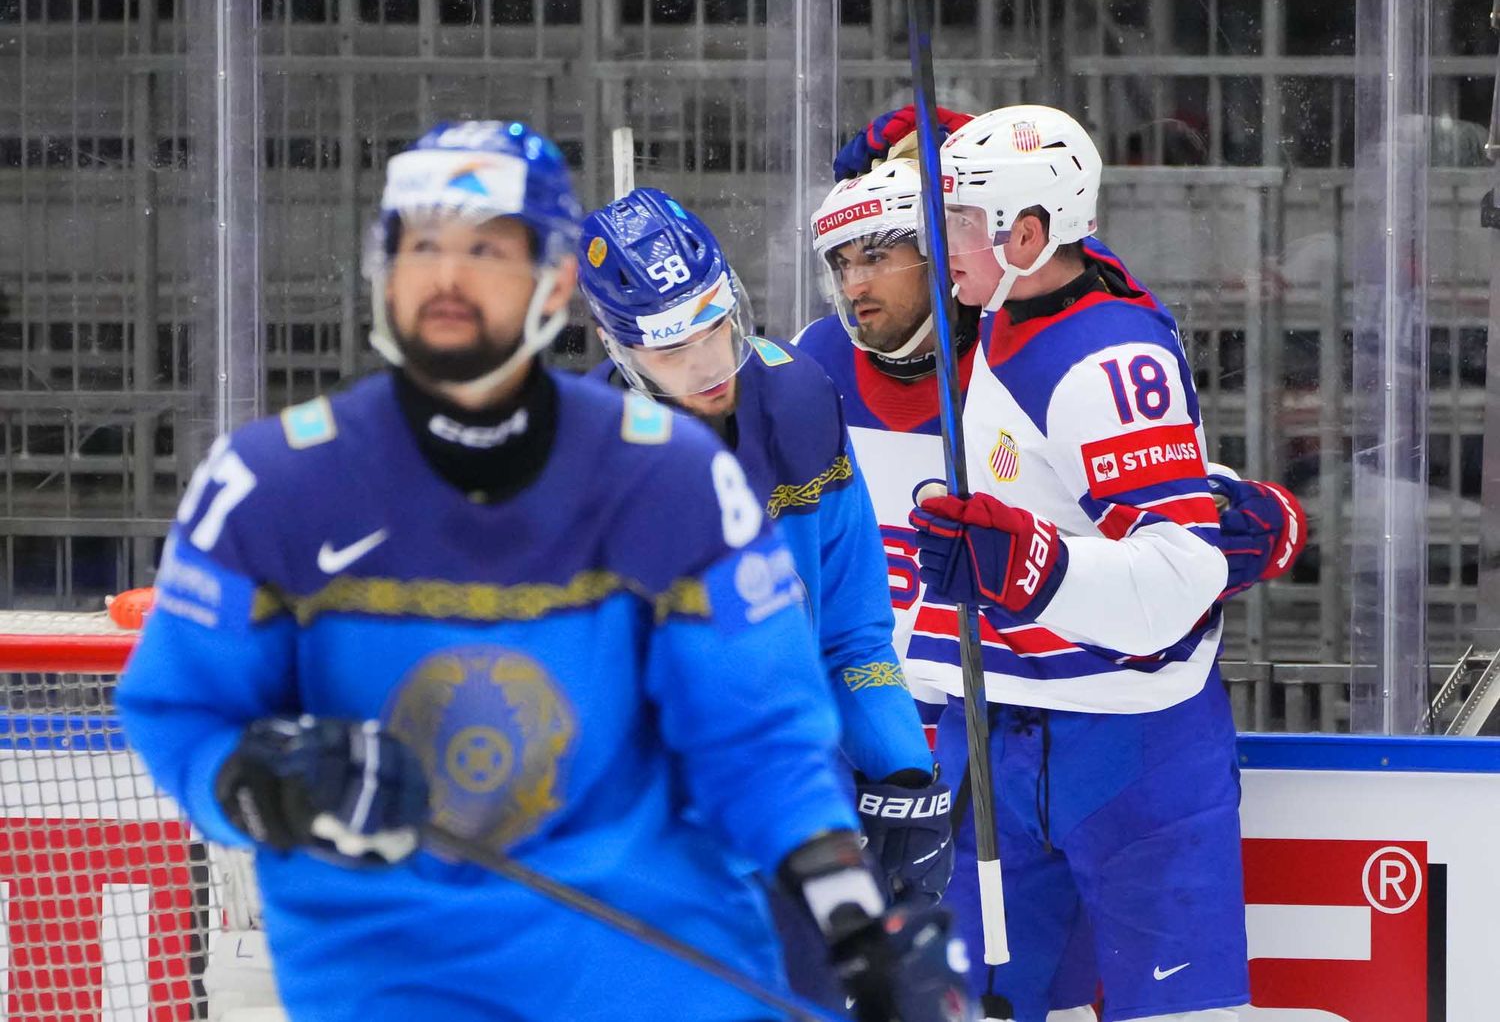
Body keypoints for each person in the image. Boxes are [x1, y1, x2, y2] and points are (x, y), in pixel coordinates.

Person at [117, 121, 969, 1022]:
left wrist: (850, 909)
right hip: (395, 977)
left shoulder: (676, 480)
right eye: (420, 248)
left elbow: (760, 728)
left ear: (553, 285)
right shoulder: (266, 485)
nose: (450, 280)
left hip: (638, 966)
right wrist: (257, 781)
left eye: (489, 252)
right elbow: (179, 712)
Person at [798, 107, 1307, 1022]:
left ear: (1022, 234)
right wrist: (972, 161)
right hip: (980, 733)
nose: (926, 249)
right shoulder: (978, 319)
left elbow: (1176, 572)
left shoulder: (1096, 350)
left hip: (1130, 741)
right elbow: (1049, 249)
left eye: (947, 223)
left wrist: (1034, 567)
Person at [575, 186, 956, 1014]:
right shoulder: (582, 461)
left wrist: (903, 771)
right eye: (673, 349)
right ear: (616, 345)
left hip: (797, 820)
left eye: (716, 325)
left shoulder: (799, 399)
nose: (709, 367)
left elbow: (852, 634)